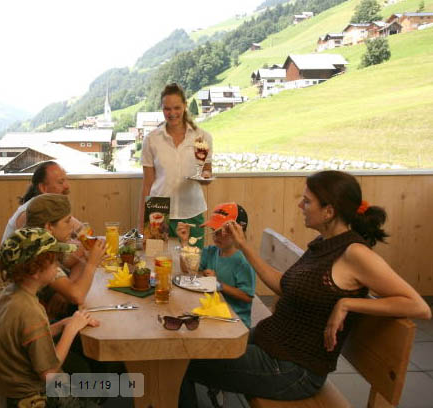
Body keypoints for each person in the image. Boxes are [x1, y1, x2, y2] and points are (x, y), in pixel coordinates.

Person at [179, 170, 431, 406]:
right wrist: (244, 245)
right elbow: (283, 286)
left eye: (307, 201)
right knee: (184, 348)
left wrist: (347, 303)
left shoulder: (355, 253)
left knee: (180, 361)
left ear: (329, 211)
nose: (301, 205)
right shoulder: (324, 243)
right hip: (274, 344)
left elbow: (419, 307)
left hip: (293, 369)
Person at [0, 194, 105, 369]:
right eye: (68, 221)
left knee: (79, 328)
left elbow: (71, 264)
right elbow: (77, 295)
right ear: (49, 227)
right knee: (86, 356)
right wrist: (91, 264)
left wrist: (67, 289)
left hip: (13, 334)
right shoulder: (37, 255)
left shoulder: (32, 244)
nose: (73, 227)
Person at [0, 227, 100, 408]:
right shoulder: (30, 311)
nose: (58, 267)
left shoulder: (11, 294)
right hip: (32, 397)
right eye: (54, 262)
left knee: (83, 369)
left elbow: (26, 337)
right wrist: (71, 330)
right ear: (35, 271)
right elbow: (49, 373)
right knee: (100, 382)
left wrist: (64, 323)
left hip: (13, 380)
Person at [139, 83, 213, 247]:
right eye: (167, 109)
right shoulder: (151, 140)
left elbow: (207, 170)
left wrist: (205, 177)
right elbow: (147, 185)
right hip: (158, 213)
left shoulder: (202, 137)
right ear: (162, 108)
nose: (172, 113)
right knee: (157, 259)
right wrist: (142, 225)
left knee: (192, 260)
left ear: (185, 106)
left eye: (177, 108)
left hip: (192, 212)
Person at [176, 202, 255, 328]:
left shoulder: (244, 261)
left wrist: (218, 284)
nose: (215, 235)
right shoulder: (211, 251)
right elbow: (186, 269)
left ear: (238, 232)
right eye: (213, 230)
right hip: (213, 311)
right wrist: (184, 241)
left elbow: (247, 296)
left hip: (234, 320)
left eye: (221, 231)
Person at [1, 161, 72, 243]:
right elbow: (41, 248)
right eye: (60, 182)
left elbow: (78, 228)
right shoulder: (30, 213)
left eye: (66, 180)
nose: (67, 186)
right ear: (43, 188)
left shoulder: (51, 208)